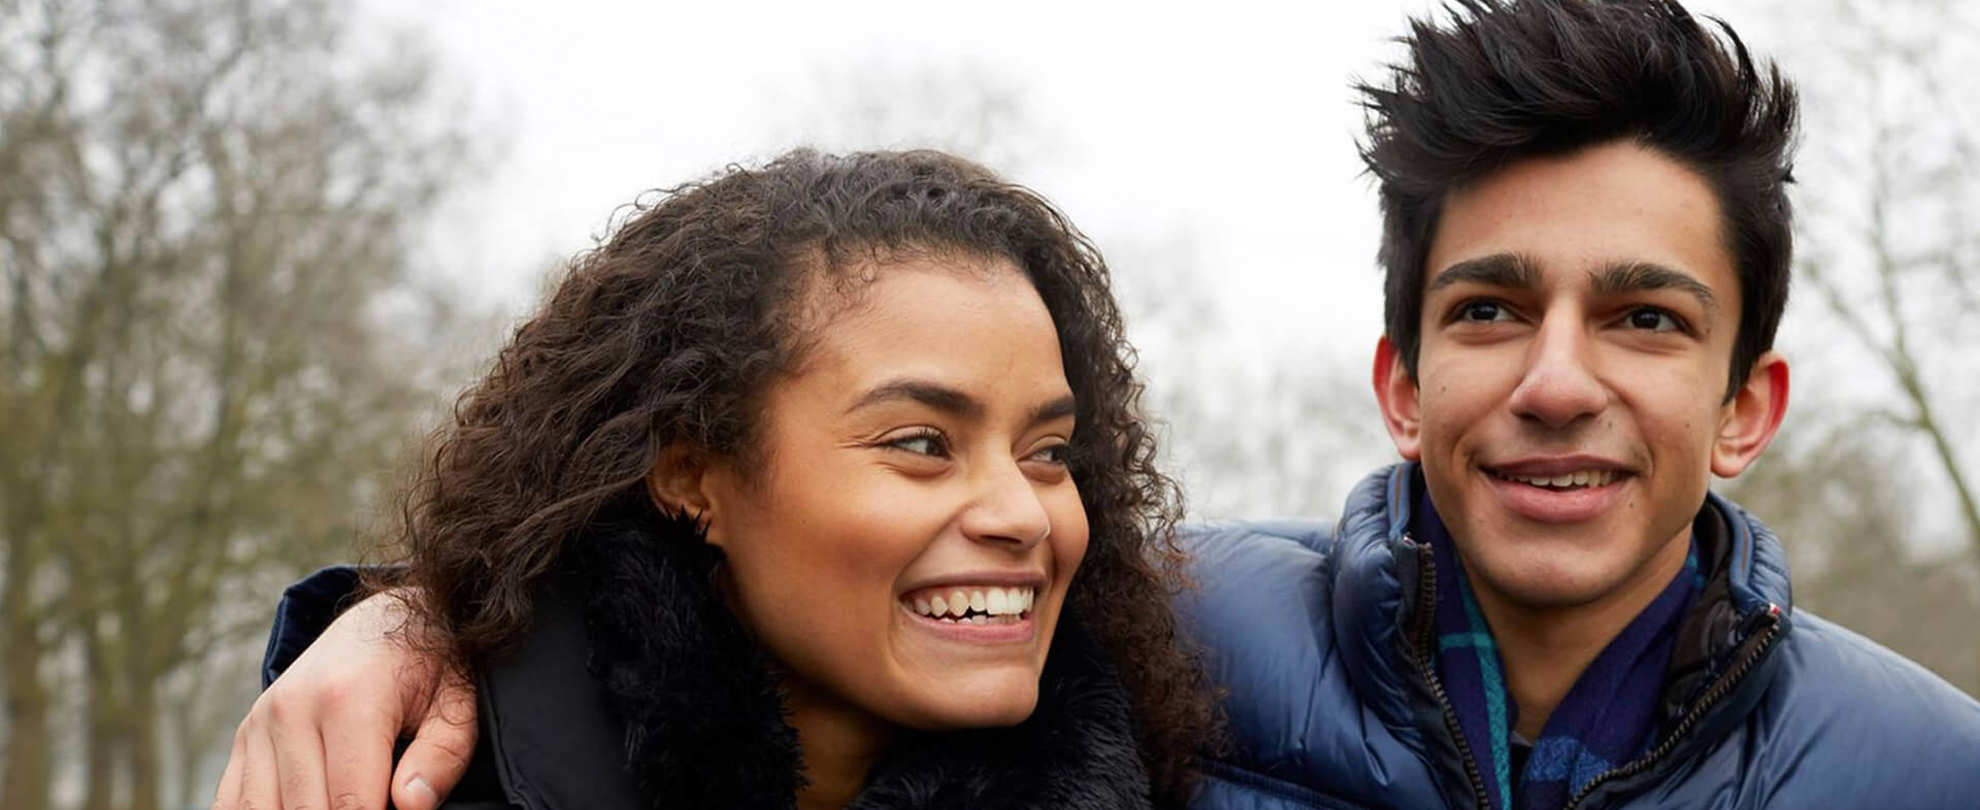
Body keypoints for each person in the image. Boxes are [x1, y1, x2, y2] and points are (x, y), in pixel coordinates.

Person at [215, 2, 1980, 809]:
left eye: (1649, 319)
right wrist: (421, 619)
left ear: (1751, 403)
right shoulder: (1170, 643)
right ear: (1399, 378)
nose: (1560, 381)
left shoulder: (1929, 766)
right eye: (1491, 308)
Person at [209, 148, 1219, 810]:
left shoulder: (1181, 752)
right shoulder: (397, 774)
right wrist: (408, 617)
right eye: (920, 442)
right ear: (693, 474)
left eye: (1048, 453)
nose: (1020, 514)